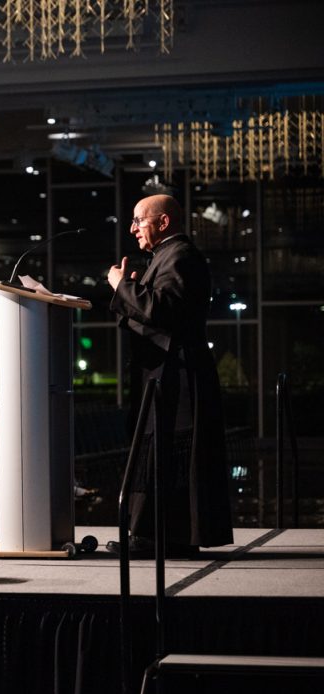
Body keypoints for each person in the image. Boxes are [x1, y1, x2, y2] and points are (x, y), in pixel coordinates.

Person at [107, 193, 233, 555]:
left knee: (170, 455)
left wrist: (121, 285)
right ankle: (159, 535)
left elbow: (163, 310)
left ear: (163, 223)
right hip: (164, 374)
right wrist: (132, 288)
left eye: (138, 220)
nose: (132, 229)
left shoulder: (180, 255)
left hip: (177, 376)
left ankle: (159, 537)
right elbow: (145, 314)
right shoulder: (164, 257)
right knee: (160, 453)